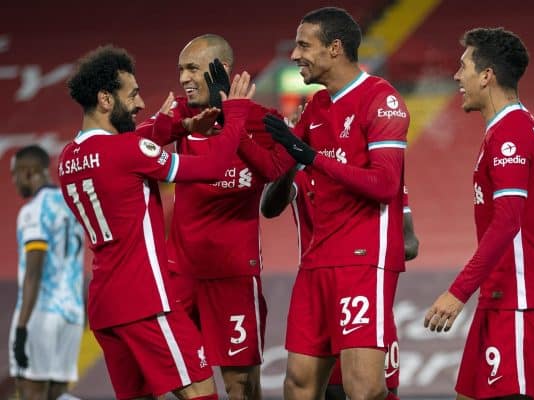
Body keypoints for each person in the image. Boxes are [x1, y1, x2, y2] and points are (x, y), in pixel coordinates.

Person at [59, 44, 255, 400]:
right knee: (202, 392)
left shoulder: (68, 159)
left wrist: (179, 127)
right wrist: (237, 115)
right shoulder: (126, 150)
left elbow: (123, 155)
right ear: (106, 99)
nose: (139, 105)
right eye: (132, 95)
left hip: (105, 308)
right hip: (146, 301)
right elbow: (212, 168)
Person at [235, 7, 410, 400]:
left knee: (364, 388)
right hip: (317, 261)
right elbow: (275, 165)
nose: (294, 55)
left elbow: (384, 185)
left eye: (303, 45)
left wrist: (309, 156)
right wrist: (233, 122)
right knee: (298, 384)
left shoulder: (382, 100)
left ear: (334, 48)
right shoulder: (316, 107)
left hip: (363, 259)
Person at [423, 27, 534, 400]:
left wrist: (458, 292)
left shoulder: (510, 134)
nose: (457, 77)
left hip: (518, 303)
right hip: (502, 297)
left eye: (464, 67)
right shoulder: (524, 127)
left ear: (487, 75)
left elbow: (508, 220)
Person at [137, 34, 281, 400]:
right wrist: (169, 126)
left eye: (192, 69)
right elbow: (130, 145)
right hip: (181, 275)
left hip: (233, 274)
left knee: (241, 386)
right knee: (174, 378)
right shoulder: (182, 116)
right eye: (180, 70)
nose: (183, 78)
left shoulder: (263, 123)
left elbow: (280, 174)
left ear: (221, 71)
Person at [261, 171, 419, 399]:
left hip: (365, 294)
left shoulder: (377, 173)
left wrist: (364, 251)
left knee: (375, 390)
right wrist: (290, 161)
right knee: (322, 389)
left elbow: (411, 242)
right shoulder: (302, 173)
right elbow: (269, 208)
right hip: (320, 294)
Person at [9, 145, 85, 400]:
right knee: (58, 393)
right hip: (72, 314)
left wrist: (21, 327)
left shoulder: (34, 210)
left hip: (40, 315)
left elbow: (34, 272)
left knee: (31, 392)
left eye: (15, 174)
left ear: (28, 172)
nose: (14, 181)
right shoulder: (71, 205)